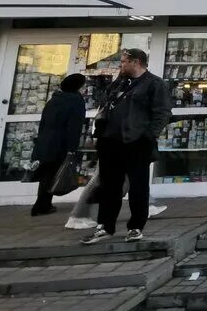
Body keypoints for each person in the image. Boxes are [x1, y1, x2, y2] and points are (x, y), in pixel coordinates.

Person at [81, 49, 171, 244]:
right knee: (109, 185)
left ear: (136, 62)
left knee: (138, 186)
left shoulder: (154, 84)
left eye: (123, 62)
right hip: (110, 141)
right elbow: (106, 106)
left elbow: (162, 112)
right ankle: (105, 225)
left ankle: (136, 226)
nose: (121, 65)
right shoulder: (119, 83)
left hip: (136, 142)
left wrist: (147, 136)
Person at [30, 73, 86, 216]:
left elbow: (44, 121)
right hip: (60, 143)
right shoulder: (75, 101)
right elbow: (74, 126)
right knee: (53, 173)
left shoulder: (54, 100)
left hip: (45, 141)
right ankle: (42, 205)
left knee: (47, 174)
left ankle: (42, 203)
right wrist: (72, 148)